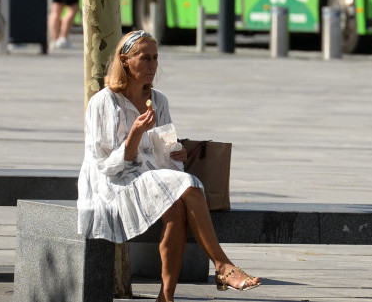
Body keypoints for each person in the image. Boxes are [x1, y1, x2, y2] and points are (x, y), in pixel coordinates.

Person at [77, 30, 262, 301]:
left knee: (176, 206)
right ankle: (222, 265)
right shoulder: (104, 102)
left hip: (150, 176)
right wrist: (135, 135)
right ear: (125, 60)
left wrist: (177, 153)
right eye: (144, 58)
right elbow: (105, 165)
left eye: (155, 58)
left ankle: (166, 295)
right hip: (113, 183)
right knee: (188, 184)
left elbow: (167, 151)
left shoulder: (159, 100)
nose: (152, 65)